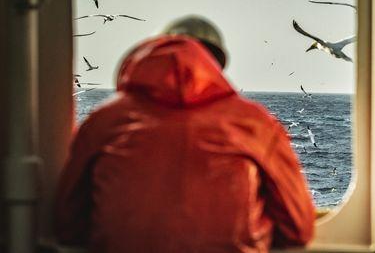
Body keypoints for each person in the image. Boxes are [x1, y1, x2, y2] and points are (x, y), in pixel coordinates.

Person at [56, 15, 316, 252]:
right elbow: (298, 228)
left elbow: (67, 225)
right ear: (216, 65)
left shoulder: (103, 121)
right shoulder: (255, 122)